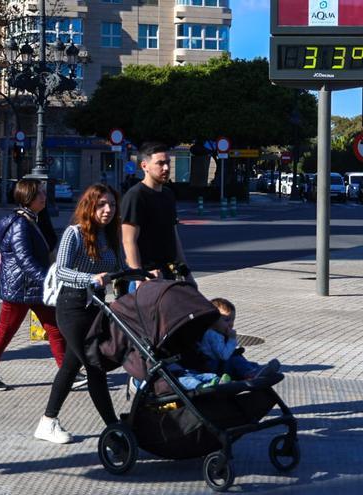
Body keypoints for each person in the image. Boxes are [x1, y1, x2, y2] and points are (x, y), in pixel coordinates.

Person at [35, 183, 124, 444]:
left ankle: (47, 422)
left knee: (71, 365)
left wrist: (141, 274)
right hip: (72, 306)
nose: (108, 210)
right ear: (89, 206)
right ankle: (114, 430)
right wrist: (90, 278)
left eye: (112, 205)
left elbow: (118, 269)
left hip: (96, 306)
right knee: (95, 366)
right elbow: (61, 270)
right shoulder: (74, 234)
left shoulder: (109, 235)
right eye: (101, 205)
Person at [0, 179, 77, 391]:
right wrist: (48, 280)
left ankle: (68, 374)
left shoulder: (33, 219)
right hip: (19, 289)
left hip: (33, 288)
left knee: (55, 328)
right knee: (5, 331)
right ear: (27, 197)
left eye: (44, 193)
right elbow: (25, 260)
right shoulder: (20, 224)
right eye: (39, 193)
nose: (44, 197)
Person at [121, 142, 194, 291]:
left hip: (168, 275)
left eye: (168, 162)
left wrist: (187, 273)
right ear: (144, 166)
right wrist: (139, 277)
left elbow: (174, 235)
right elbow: (128, 240)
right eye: (160, 163)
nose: (166, 168)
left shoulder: (168, 194)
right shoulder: (136, 196)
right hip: (147, 277)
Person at [198, 298, 279, 380]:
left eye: (232, 320)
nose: (231, 323)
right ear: (213, 320)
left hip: (217, 363)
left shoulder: (217, 332)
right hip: (213, 366)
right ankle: (250, 374)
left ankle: (258, 370)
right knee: (236, 359)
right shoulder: (213, 335)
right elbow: (224, 356)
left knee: (245, 362)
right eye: (226, 320)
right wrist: (232, 339)